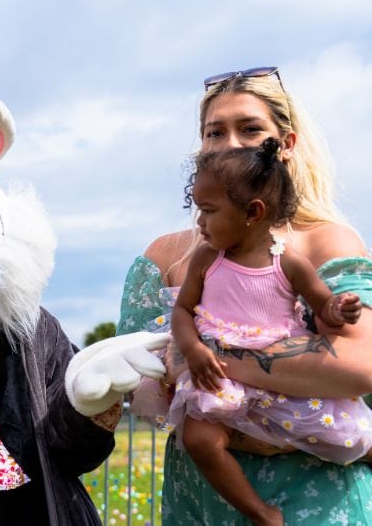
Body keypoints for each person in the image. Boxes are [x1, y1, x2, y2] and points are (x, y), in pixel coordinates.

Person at [118, 67, 372, 523]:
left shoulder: (326, 242)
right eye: (215, 132)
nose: (230, 143)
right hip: (200, 501)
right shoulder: (165, 257)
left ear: (286, 146)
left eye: (250, 128)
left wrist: (198, 355)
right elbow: (135, 384)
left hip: (316, 502)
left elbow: (358, 367)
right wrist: (287, 412)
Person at [167, 138, 366, 525]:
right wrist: (192, 349)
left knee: (345, 432)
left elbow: (322, 304)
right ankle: (260, 513)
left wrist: (339, 308)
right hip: (221, 375)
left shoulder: (288, 262)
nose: (199, 222)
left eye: (208, 211)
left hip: (277, 374)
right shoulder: (207, 260)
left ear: (252, 213)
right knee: (200, 440)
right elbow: (182, 311)